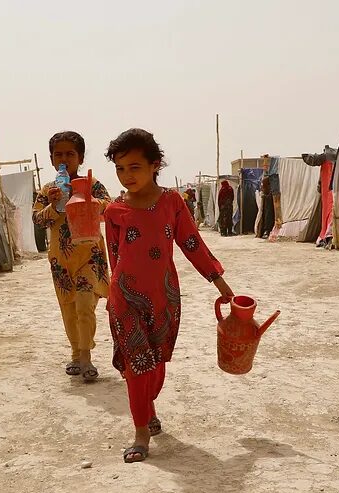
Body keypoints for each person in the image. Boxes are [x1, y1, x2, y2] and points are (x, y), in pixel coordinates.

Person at [104, 128, 234, 463]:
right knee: (138, 364)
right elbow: (114, 256)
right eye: (120, 168)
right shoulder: (114, 211)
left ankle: (147, 408)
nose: (126, 175)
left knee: (157, 363)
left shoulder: (172, 202)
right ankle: (141, 432)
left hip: (164, 297)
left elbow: (191, 243)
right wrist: (110, 294)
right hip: (124, 298)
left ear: (154, 165)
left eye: (134, 167)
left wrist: (218, 280)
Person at [32, 131, 111, 381]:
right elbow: (37, 218)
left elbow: (109, 205)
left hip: (90, 255)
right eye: (58, 154)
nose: (64, 158)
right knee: (69, 307)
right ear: (52, 159)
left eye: (70, 153)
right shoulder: (48, 189)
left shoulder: (92, 183)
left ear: (81, 157)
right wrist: (54, 206)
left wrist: (92, 202)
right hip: (61, 258)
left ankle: (86, 356)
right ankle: (76, 353)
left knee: (85, 305)